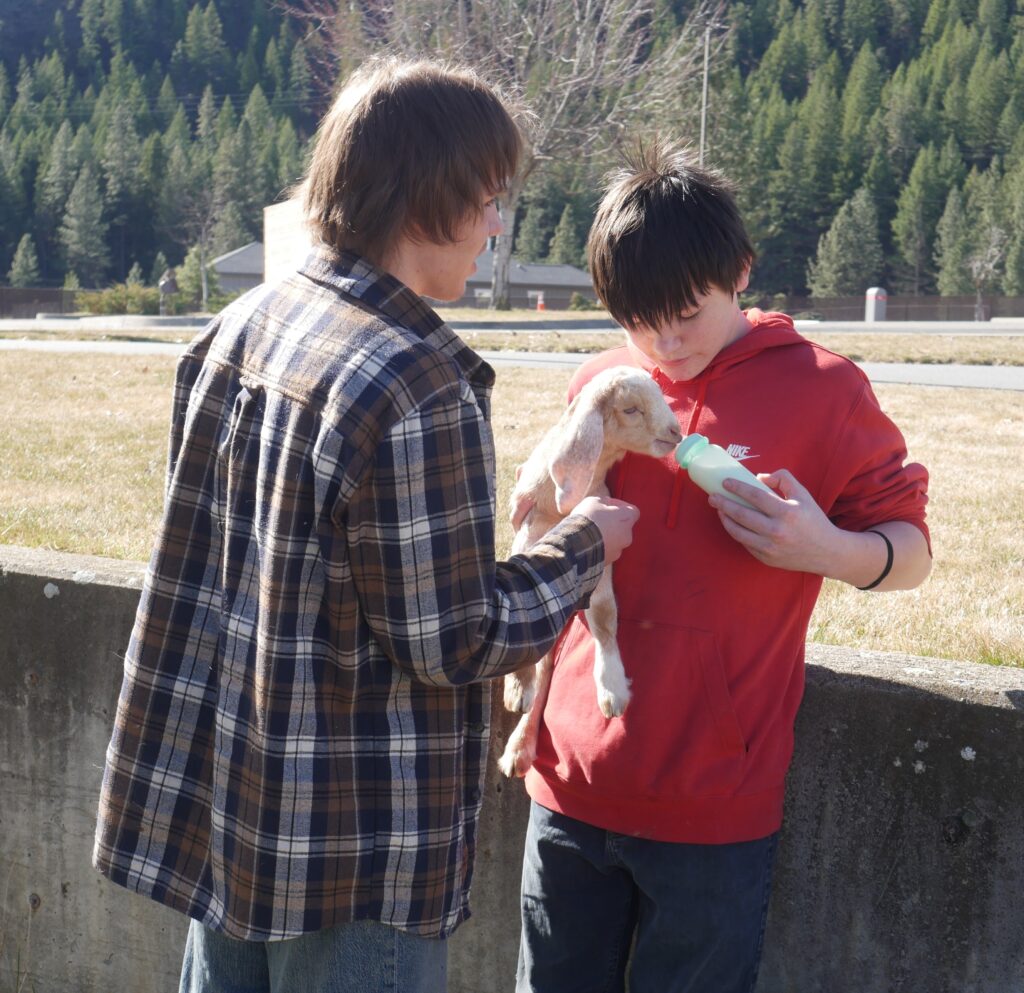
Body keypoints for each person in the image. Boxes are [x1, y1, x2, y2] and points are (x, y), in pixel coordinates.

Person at [92, 57, 639, 993]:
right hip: (355, 855)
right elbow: (455, 637)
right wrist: (585, 543)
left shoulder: (241, 324)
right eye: (489, 199)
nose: (496, 226)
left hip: (229, 815)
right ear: (428, 198)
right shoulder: (417, 383)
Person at [514, 138, 932, 993]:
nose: (664, 342)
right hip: (569, 784)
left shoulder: (825, 389)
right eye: (638, 320)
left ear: (739, 271)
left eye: (685, 313)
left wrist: (823, 548)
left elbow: (913, 553)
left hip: (714, 808)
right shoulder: (604, 384)